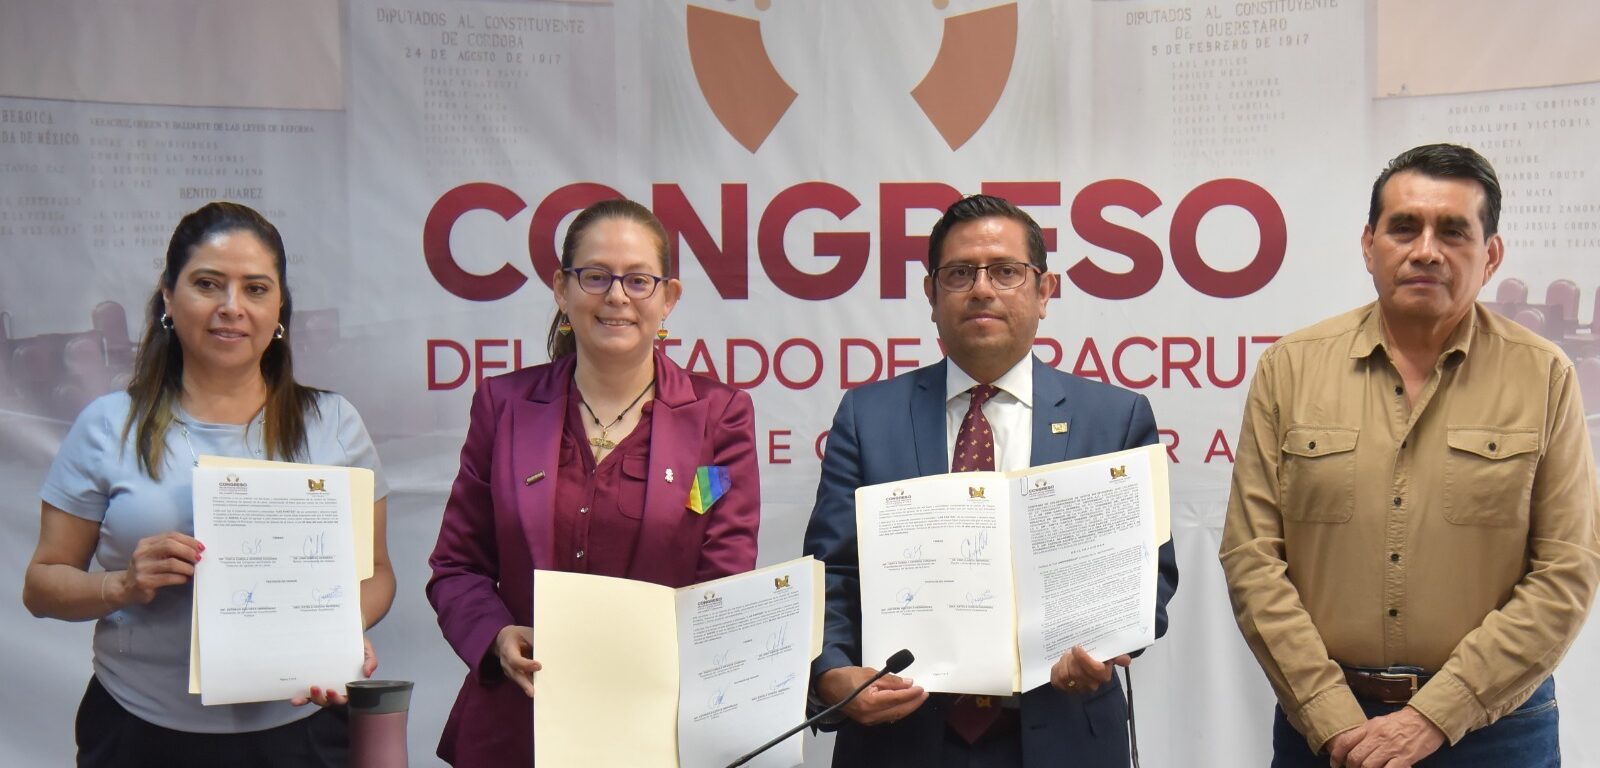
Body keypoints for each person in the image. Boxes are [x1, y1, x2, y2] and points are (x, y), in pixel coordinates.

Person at [1221, 143, 1600, 768]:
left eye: (1453, 231)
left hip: (1496, 730)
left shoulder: (1544, 376)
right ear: (1369, 245)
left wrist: (1435, 715)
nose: (1426, 250)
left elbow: (1567, 568)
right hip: (1326, 728)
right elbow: (1251, 556)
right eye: (1404, 228)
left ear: (1491, 254)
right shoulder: (1289, 369)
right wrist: (1330, 716)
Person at [803, 194, 1180, 767]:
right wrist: (832, 672)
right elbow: (829, 573)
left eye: (1006, 271)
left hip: (1064, 735)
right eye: (960, 274)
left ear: (1044, 291)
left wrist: (1105, 644)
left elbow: (1149, 572)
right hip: (897, 739)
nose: (982, 289)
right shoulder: (867, 417)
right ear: (931, 295)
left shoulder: (1114, 418)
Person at [22, 202, 395, 767]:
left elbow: (378, 573)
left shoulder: (333, 424)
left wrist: (334, 636)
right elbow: (42, 584)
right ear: (169, 299)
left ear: (279, 308)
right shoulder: (107, 425)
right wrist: (122, 585)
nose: (232, 307)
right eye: (207, 284)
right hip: (140, 732)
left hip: (301, 731)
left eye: (255, 288)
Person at [427, 198, 762, 766]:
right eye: (596, 276)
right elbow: (458, 567)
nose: (617, 296)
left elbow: (722, 574)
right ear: (562, 289)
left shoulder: (718, 420)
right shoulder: (503, 407)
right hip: (519, 722)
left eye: (638, 279)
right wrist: (497, 636)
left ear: (668, 298)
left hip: (654, 728)